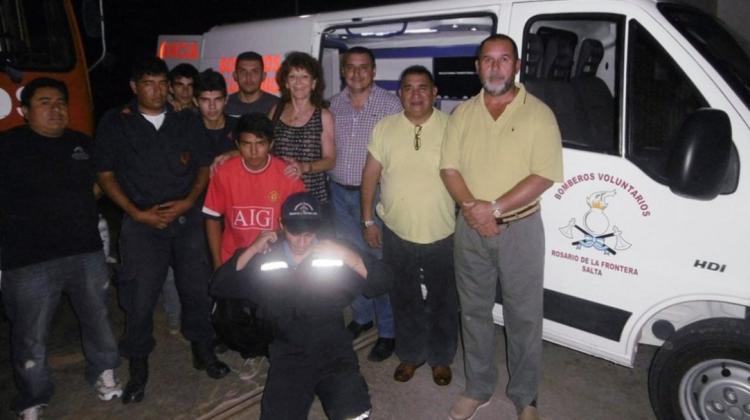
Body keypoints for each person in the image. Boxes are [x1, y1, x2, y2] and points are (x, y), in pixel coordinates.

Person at [440, 35, 563, 420]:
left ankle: (526, 397)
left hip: (520, 228)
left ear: (517, 66)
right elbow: (449, 168)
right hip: (470, 228)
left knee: (523, 316)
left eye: (503, 59)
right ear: (478, 66)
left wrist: (492, 209)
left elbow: (544, 175)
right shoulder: (462, 114)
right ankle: (477, 387)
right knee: (473, 312)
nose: (495, 67)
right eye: (488, 60)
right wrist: (473, 210)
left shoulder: (538, 113)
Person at [94, 57, 230, 405]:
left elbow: (202, 166)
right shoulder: (116, 122)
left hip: (185, 219)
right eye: (148, 83)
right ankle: (138, 368)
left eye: (161, 83)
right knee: (139, 300)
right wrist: (136, 213)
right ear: (134, 87)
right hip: (142, 223)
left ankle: (203, 350)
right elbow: (106, 174)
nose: (157, 90)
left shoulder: (185, 120)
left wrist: (188, 202)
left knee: (197, 291)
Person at [0, 78, 122, 420]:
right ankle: (33, 396)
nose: (56, 109)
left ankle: (104, 372)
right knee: (30, 333)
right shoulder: (8, 146)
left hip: (84, 251)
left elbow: (101, 183)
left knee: (97, 318)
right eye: (45, 102)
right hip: (28, 259)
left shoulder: (81, 143)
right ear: (25, 111)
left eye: (61, 102)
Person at [211, 192, 392, 420]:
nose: (302, 241)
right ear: (281, 225)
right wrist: (253, 249)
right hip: (288, 355)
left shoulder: (334, 252)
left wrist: (350, 257)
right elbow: (219, 286)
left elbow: (383, 282)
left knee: (355, 414)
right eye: (294, 232)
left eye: (309, 233)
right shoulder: (266, 257)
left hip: (333, 350)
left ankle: (350, 388)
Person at [360, 66, 458, 386]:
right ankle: (411, 355)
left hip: (442, 231)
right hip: (396, 232)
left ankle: (441, 359)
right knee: (404, 299)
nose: (415, 94)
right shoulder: (384, 128)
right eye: (408, 88)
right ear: (399, 94)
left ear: (434, 93)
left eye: (422, 88)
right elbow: (370, 177)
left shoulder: (453, 127)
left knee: (444, 300)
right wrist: (368, 220)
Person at [329, 46, 401, 362]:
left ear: (374, 71)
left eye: (363, 67)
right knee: (349, 259)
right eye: (350, 67)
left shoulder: (390, 105)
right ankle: (362, 317)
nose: (356, 73)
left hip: (375, 195)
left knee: (376, 262)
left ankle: (388, 331)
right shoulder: (334, 105)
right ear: (343, 70)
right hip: (339, 194)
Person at [202, 112, 306, 268]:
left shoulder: (288, 175)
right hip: (233, 258)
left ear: (271, 144)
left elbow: (300, 226)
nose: (254, 151)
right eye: (247, 144)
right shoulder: (224, 173)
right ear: (237, 145)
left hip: (276, 260)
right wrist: (218, 264)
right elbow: (212, 218)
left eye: (260, 143)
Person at [269, 51, 335, 228]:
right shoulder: (276, 111)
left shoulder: (323, 115)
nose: (298, 83)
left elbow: (330, 160)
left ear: (314, 83)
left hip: (313, 197)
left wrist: (304, 167)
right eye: (293, 77)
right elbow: (263, 149)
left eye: (304, 77)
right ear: (286, 83)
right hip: (280, 194)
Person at [194, 68, 240, 159]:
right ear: (195, 101)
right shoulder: (187, 129)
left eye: (217, 99)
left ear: (226, 99)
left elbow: (258, 152)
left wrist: (234, 153)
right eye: (205, 100)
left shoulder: (239, 127)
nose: (212, 106)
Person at [225, 51, 279, 117]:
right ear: (235, 75)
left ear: (263, 76)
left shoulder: (277, 106)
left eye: (255, 72)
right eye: (243, 71)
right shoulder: (224, 104)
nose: (248, 77)